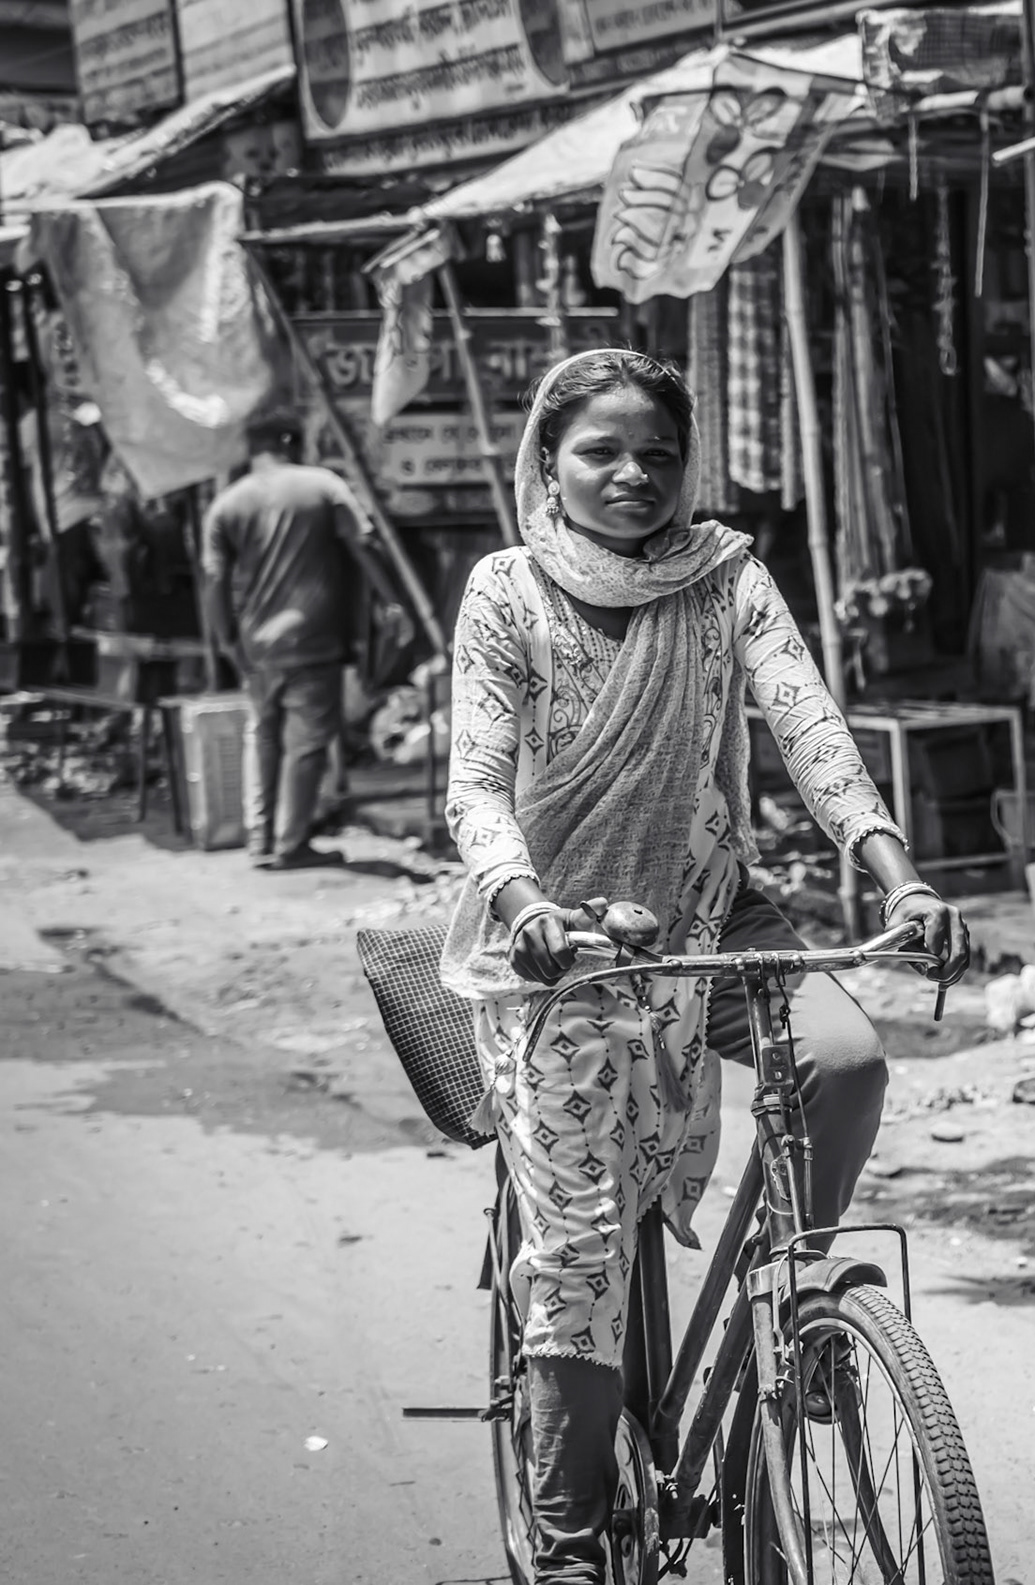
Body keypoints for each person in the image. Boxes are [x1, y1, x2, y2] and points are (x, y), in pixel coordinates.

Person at [439, 349, 969, 1585]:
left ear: (690, 467)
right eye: (600, 452)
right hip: (559, 945)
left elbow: (808, 726)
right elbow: (475, 777)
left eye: (658, 453)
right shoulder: (505, 592)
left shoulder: (726, 576)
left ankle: (807, 1311)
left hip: (712, 911)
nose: (632, 474)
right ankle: (569, 1550)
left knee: (845, 1059)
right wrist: (521, 899)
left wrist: (902, 876)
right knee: (579, 1252)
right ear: (547, 462)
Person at [203, 412, 408, 869]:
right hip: (312, 639)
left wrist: (227, 641)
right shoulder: (322, 485)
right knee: (306, 744)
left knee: (264, 736)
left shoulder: (227, 503)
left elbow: (213, 580)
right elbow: (365, 543)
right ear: (289, 442)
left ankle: (261, 839)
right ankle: (290, 842)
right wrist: (393, 601)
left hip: (256, 644)